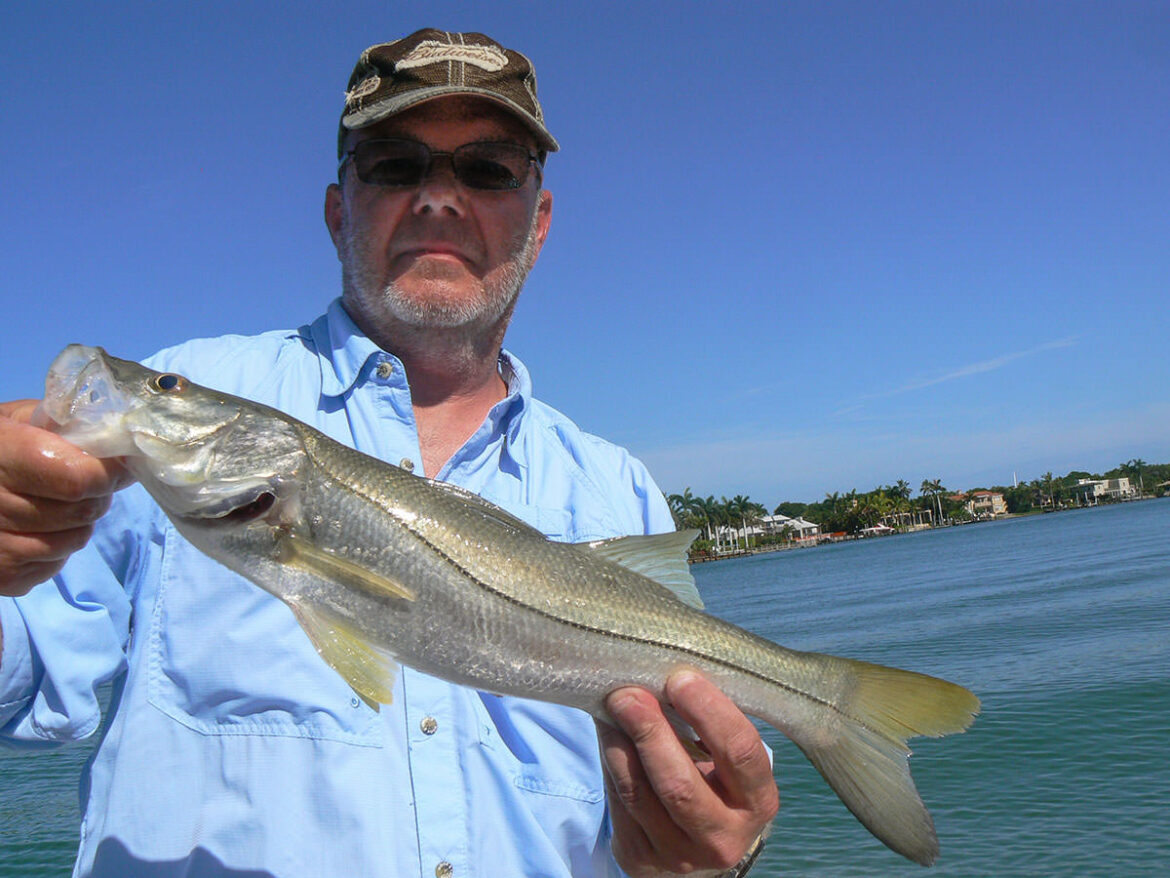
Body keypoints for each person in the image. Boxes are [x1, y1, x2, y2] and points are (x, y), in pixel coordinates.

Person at [0, 29, 777, 878]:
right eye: (395, 165)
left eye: (488, 170)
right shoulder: (190, 401)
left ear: (540, 223)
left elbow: (700, 795)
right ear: (339, 210)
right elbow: (23, 683)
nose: (438, 199)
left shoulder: (617, 487)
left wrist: (710, 859)